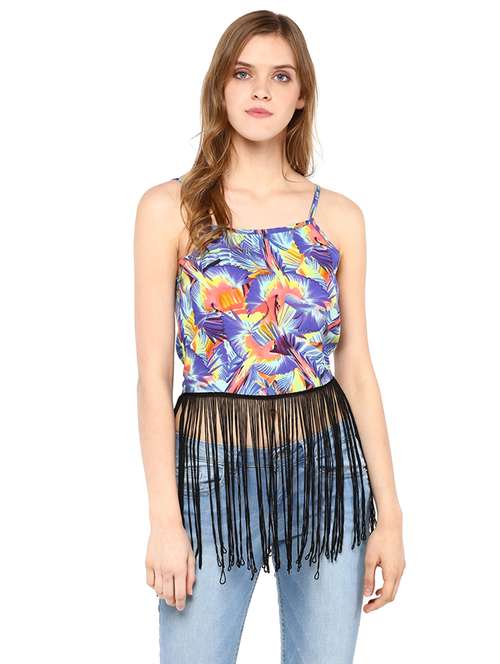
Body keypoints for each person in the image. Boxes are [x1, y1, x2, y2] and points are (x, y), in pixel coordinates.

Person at [134, 10, 405, 664]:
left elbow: (356, 367)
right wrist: (164, 520)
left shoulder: (337, 217)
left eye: (280, 76)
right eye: (243, 73)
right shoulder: (170, 209)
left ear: (301, 93)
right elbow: (153, 377)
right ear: (219, 86)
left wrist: (390, 516)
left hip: (325, 470)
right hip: (211, 470)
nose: (261, 90)